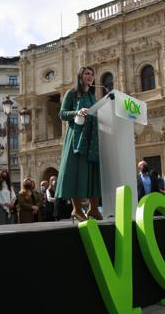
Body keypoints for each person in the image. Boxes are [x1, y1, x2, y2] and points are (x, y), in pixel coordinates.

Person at [55, 66, 102, 222]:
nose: (89, 76)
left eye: (92, 74)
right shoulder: (72, 93)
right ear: (80, 77)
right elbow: (62, 114)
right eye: (86, 74)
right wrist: (77, 112)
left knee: (92, 171)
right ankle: (76, 209)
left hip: (91, 138)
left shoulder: (91, 95)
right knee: (76, 171)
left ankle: (93, 209)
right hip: (76, 137)